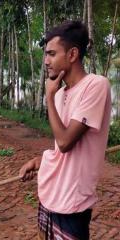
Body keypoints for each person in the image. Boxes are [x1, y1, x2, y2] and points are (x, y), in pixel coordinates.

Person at [19, 20, 111, 239]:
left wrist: (49, 97)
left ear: (72, 55)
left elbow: (65, 142)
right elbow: (59, 151)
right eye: (45, 54)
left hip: (72, 204)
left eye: (51, 54)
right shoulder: (60, 94)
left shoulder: (96, 86)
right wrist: (39, 162)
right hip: (49, 195)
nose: (46, 61)